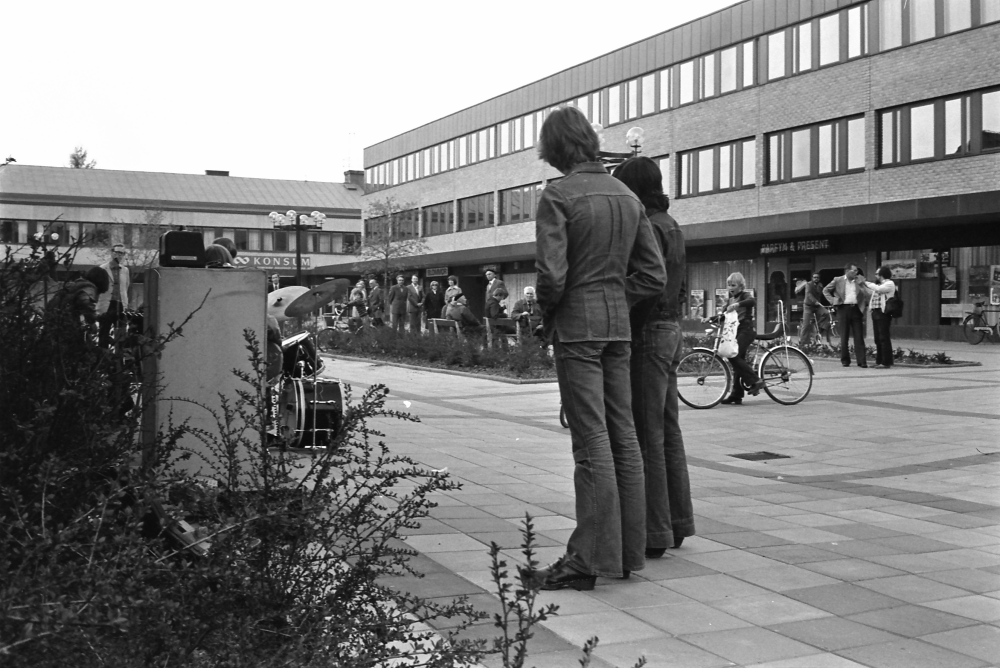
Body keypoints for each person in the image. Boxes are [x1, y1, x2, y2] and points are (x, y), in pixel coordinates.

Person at [524, 106, 666, 592]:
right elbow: (653, 274)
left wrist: (550, 314)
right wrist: (612, 298)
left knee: (591, 443)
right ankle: (624, 555)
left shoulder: (558, 195)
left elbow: (553, 275)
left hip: (579, 330)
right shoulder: (627, 194)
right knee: (623, 435)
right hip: (617, 328)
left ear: (554, 148)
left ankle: (586, 560)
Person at [613, 156, 695, 556]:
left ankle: (655, 532)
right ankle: (676, 523)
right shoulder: (672, 225)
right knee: (666, 430)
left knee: (647, 433)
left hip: (648, 330)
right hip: (671, 329)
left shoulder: (647, 225)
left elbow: (648, 283)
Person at [720, 272, 765, 405]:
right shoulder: (730, 300)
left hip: (746, 330)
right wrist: (710, 319)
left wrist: (737, 305)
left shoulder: (744, 296)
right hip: (736, 332)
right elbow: (723, 314)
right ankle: (736, 394)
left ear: (741, 286)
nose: (730, 288)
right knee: (737, 362)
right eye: (728, 285)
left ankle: (755, 380)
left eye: (733, 285)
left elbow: (752, 301)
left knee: (733, 355)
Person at [823, 262, 871, 368]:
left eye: (856, 271)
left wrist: (862, 285)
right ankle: (845, 360)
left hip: (856, 309)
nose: (856, 273)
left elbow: (867, 294)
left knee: (859, 336)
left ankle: (862, 361)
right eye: (854, 270)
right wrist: (833, 300)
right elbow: (825, 290)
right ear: (847, 271)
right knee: (844, 335)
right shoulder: (838, 280)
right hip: (843, 308)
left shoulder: (859, 280)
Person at [97, 243, 130, 348]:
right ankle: (103, 356)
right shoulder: (102, 269)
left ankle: (119, 358)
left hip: (120, 304)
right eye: (117, 253)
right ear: (112, 253)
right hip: (107, 304)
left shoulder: (125, 270)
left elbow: (126, 286)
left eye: (122, 253)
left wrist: (125, 303)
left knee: (121, 333)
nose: (119, 256)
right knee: (104, 332)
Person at [866, 266, 896, 369]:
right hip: (875, 312)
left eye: (877, 273)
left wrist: (865, 283)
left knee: (884, 337)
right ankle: (879, 361)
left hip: (883, 313)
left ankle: (886, 362)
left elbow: (879, 289)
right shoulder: (878, 285)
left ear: (882, 274)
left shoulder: (889, 284)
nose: (876, 275)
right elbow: (872, 292)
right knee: (877, 338)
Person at [796, 273, 833, 348]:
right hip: (808, 306)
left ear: (819, 279)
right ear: (812, 278)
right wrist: (815, 301)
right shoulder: (808, 285)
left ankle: (819, 328)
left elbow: (821, 296)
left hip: (817, 306)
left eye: (817, 277)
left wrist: (829, 302)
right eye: (814, 277)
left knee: (826, 313)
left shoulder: (820, 285)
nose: (816, 279)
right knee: (806, 324)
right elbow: (809, 295)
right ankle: (801, 343)